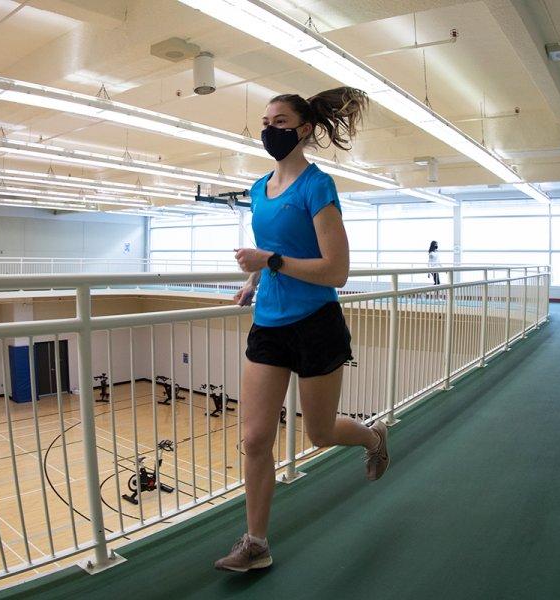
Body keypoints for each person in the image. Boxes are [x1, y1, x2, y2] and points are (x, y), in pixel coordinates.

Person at [216, 88, 389, 572]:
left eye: (281, 120)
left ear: (305, 128)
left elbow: (337, 271)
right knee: (254, 439)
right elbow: (271, 245)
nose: (270, 129)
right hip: (268, 326)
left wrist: (270, 261)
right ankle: (255, 543)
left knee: (318, 433)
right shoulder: (256, 189)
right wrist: (254, 280)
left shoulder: (318, 186)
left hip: (316, 325)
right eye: (266, 121)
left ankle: (373, 438)